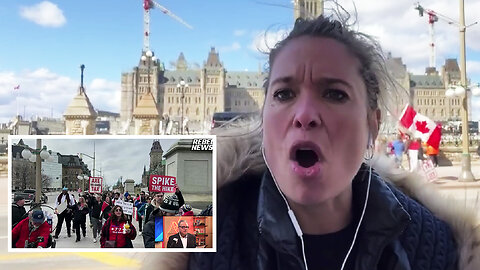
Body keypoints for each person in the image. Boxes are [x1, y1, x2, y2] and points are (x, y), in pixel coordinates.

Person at [180, 15, 479, 270]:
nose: (305, 114)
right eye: (284, 94)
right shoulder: (184, 220)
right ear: (263, 117)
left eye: (335, 93)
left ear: (372, 125)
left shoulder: (439, 247)